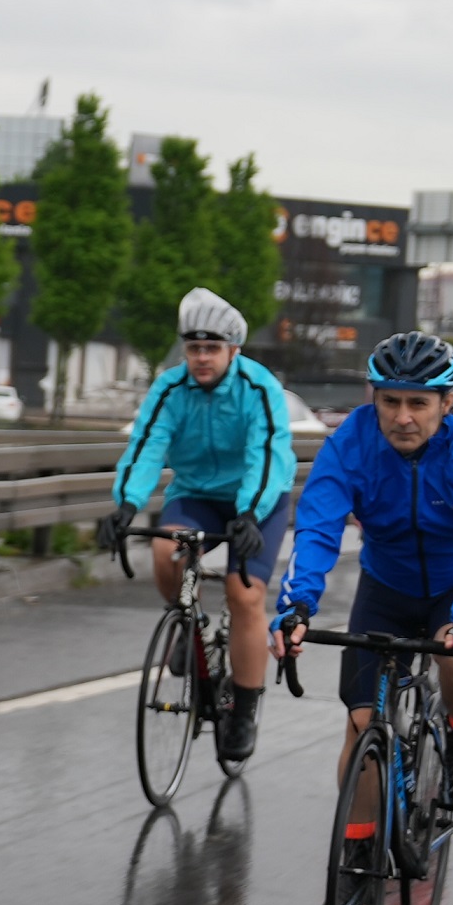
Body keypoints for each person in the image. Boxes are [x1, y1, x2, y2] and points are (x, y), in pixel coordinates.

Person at [273, 333, 453, 892]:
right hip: (385, 585)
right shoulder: (350, 444)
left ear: (446, 403)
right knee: (361, 726)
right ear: (372, 396)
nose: (402, 417)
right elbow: (318, 524)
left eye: (418, 403)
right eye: (390, 401)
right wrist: (297, 604)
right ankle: (357, 852)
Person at [94, 287, 301, 763]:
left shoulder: (259, 388)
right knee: (165, 552)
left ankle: (244, 709)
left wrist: (249, 513)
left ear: (234, 350)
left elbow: (266, 456)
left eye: (212, 349)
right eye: (193, 348)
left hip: (258, 500)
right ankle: (189, 627)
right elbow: (147, 445)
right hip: (197, 494)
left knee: (243, 593)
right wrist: (126, 505)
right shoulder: (170, 388)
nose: (201, 358)